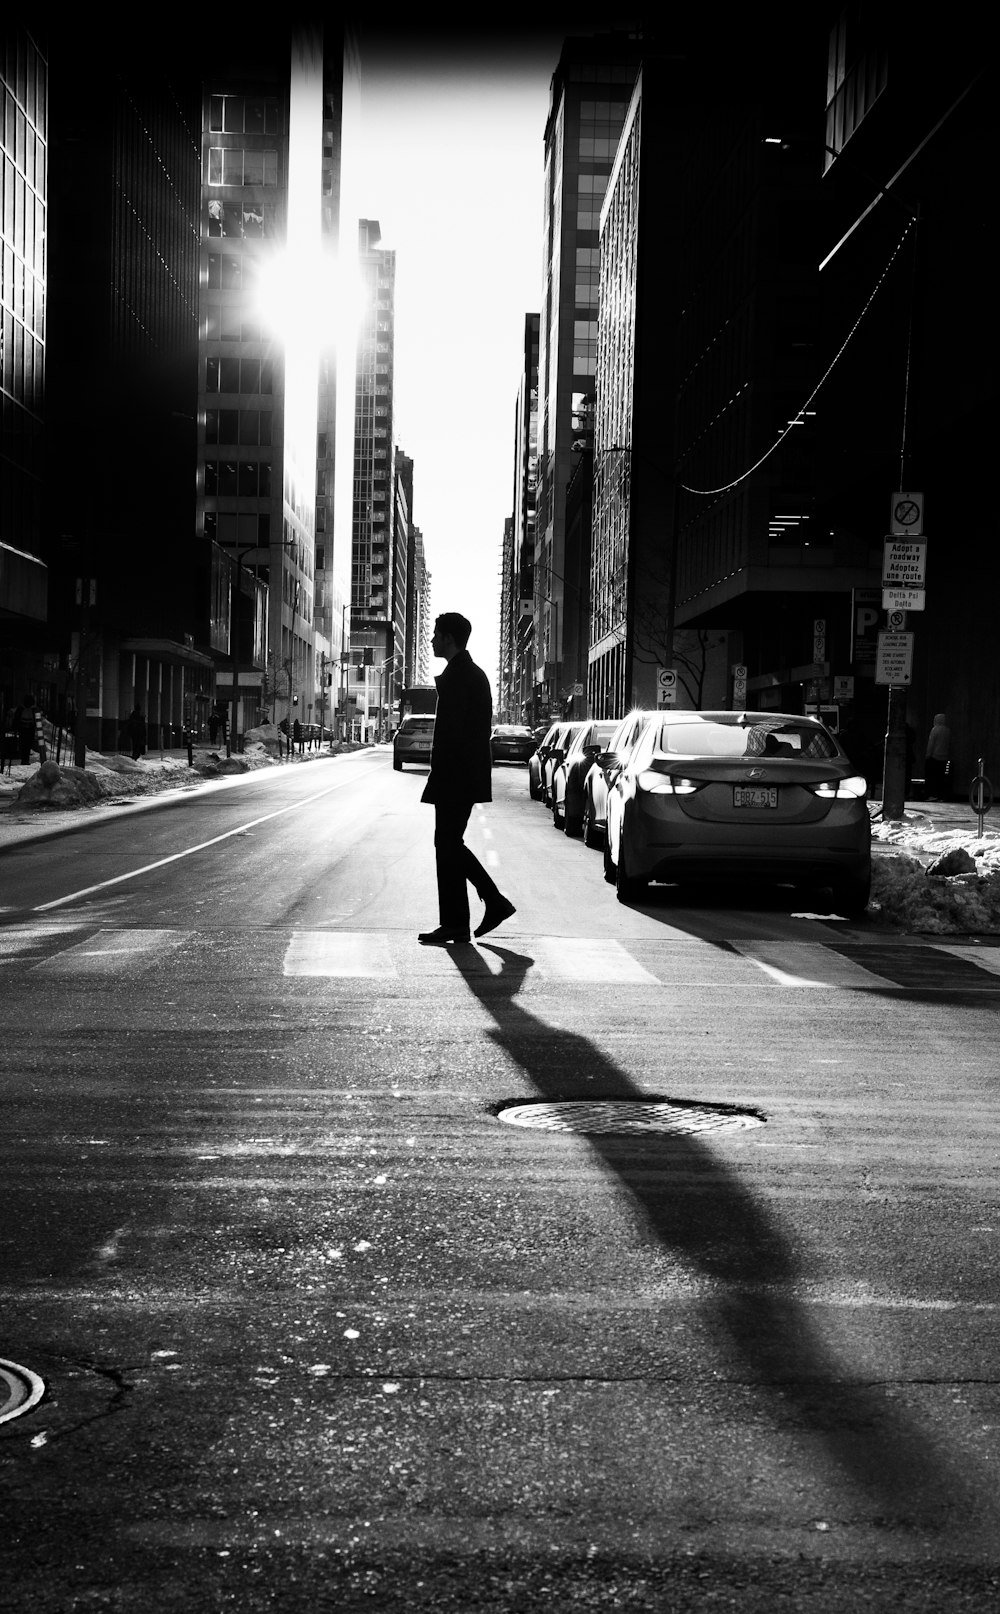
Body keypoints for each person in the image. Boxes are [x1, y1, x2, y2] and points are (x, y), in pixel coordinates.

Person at [417, 612, 516, 946]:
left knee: (447, 844)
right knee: (447, 845)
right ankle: (458, 922)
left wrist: (442, 777)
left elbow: (457, 736)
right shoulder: (465, 674)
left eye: (435, 634)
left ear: (448, 638)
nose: (431, 640)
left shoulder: (463, 677)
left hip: (456, 776)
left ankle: (491, 902)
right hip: (459, 775)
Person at [924, 712, 951, 799]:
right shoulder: (948, 731)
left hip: (935, 757)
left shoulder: (935, 729)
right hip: (945, 757)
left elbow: (931, 743)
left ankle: (932, 795)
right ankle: (941, 795)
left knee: (932, 777)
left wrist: (928, 754)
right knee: (942, 778)